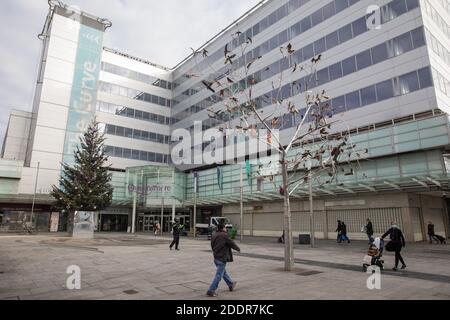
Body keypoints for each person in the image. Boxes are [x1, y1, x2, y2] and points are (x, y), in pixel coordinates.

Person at [207, 223, 241, 297]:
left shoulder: (214, 234)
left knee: (223, 272)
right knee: (219, 275)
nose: (226, 229)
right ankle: (211, 290)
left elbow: (212, 245)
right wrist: (238, 249)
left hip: (216, 257)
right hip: (222, 257)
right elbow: (231, 243)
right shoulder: (224, 235)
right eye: (225, 228)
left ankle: (231, 284)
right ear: (222, 228)